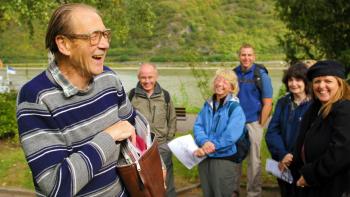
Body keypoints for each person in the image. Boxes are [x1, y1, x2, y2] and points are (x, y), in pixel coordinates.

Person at [17, 3, 143, 196]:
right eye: (94, 36)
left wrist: (152, 161)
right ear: (64, 44)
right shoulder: (36, 97)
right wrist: (108, 137)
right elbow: (56, 187)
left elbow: (133, 126)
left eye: (105, 34)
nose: (105, 44)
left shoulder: (109, 78)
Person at [290, 60, 350, 197]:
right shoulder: (315, 109)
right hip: (314, 186)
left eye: (328, 81)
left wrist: (310, 175)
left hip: (334, 187)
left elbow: (341, 152)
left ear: (339, 83)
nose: (321, 86)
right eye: (317, 81)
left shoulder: (345, 109)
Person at [193, 68, 246, 197]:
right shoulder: (207, 105)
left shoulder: (235, 109)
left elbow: (230, 136)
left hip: (224, 159)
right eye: (218, 80)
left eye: (225, 82)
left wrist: (211, 146)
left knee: (221, 193)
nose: (220, 84)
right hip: (205, 158)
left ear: (232, 88)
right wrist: (204, 142)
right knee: (208, 192)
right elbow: (198, 126)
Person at [129, 63, 177, 197]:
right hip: (141, 147)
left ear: (156, 77)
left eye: (150, 77)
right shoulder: (131, 95)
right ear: (138, 77)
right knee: (144, 181)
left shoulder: (165, 96)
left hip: (161, 145)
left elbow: (172, 118)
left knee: (166, 180)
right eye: (143, 77)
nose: (147, 81)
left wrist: (168, 140)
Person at [265, 62, 312, 197]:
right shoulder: (283, 102)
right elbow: (272, 132)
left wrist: (294, 156)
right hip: (283, 163)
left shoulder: (314, 105)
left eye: (298, 80)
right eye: (290, 80)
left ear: (306, 81)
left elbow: (312, 136)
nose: (293, 84)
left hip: (303, 164)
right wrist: (283, 154)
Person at [233, 43, 273, 197]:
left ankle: (254, 193)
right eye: (243, 54)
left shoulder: (261, 75)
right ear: (239, 56)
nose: (246, 58)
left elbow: (268, 103)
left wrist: (260, 125)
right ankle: (233, 192)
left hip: (254, 123)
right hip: (235, 124)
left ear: (254, 57)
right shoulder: (234, 74)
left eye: (249, 55)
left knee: (254, 161)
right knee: (234, 160)